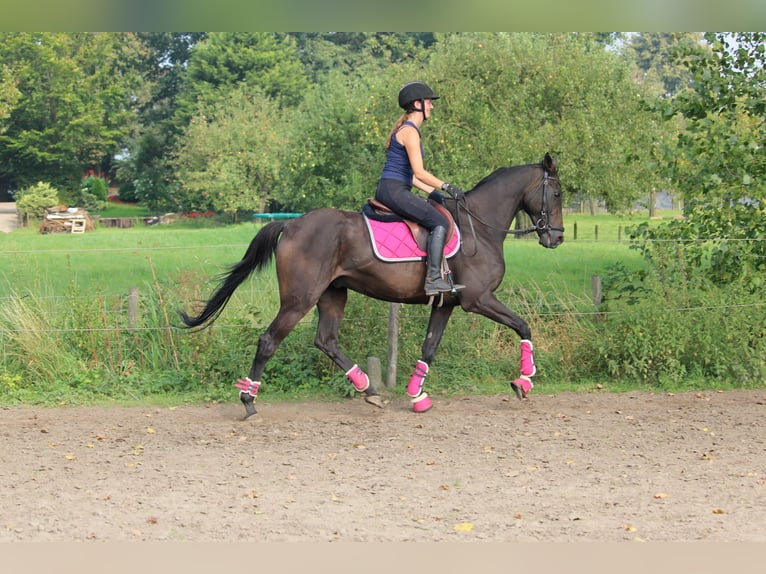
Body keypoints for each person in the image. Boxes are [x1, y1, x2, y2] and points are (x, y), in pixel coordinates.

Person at [376, 81, 466, 296]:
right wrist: (446, 186)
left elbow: (411, 176)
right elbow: (419, 172)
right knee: (439, 222)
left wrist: (432, 193)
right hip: (394, 190)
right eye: (429, 102)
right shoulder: (410, 132)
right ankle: (433, 279)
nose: (432, 107)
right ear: (418, 104)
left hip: (394, 187)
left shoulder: (407, 130)